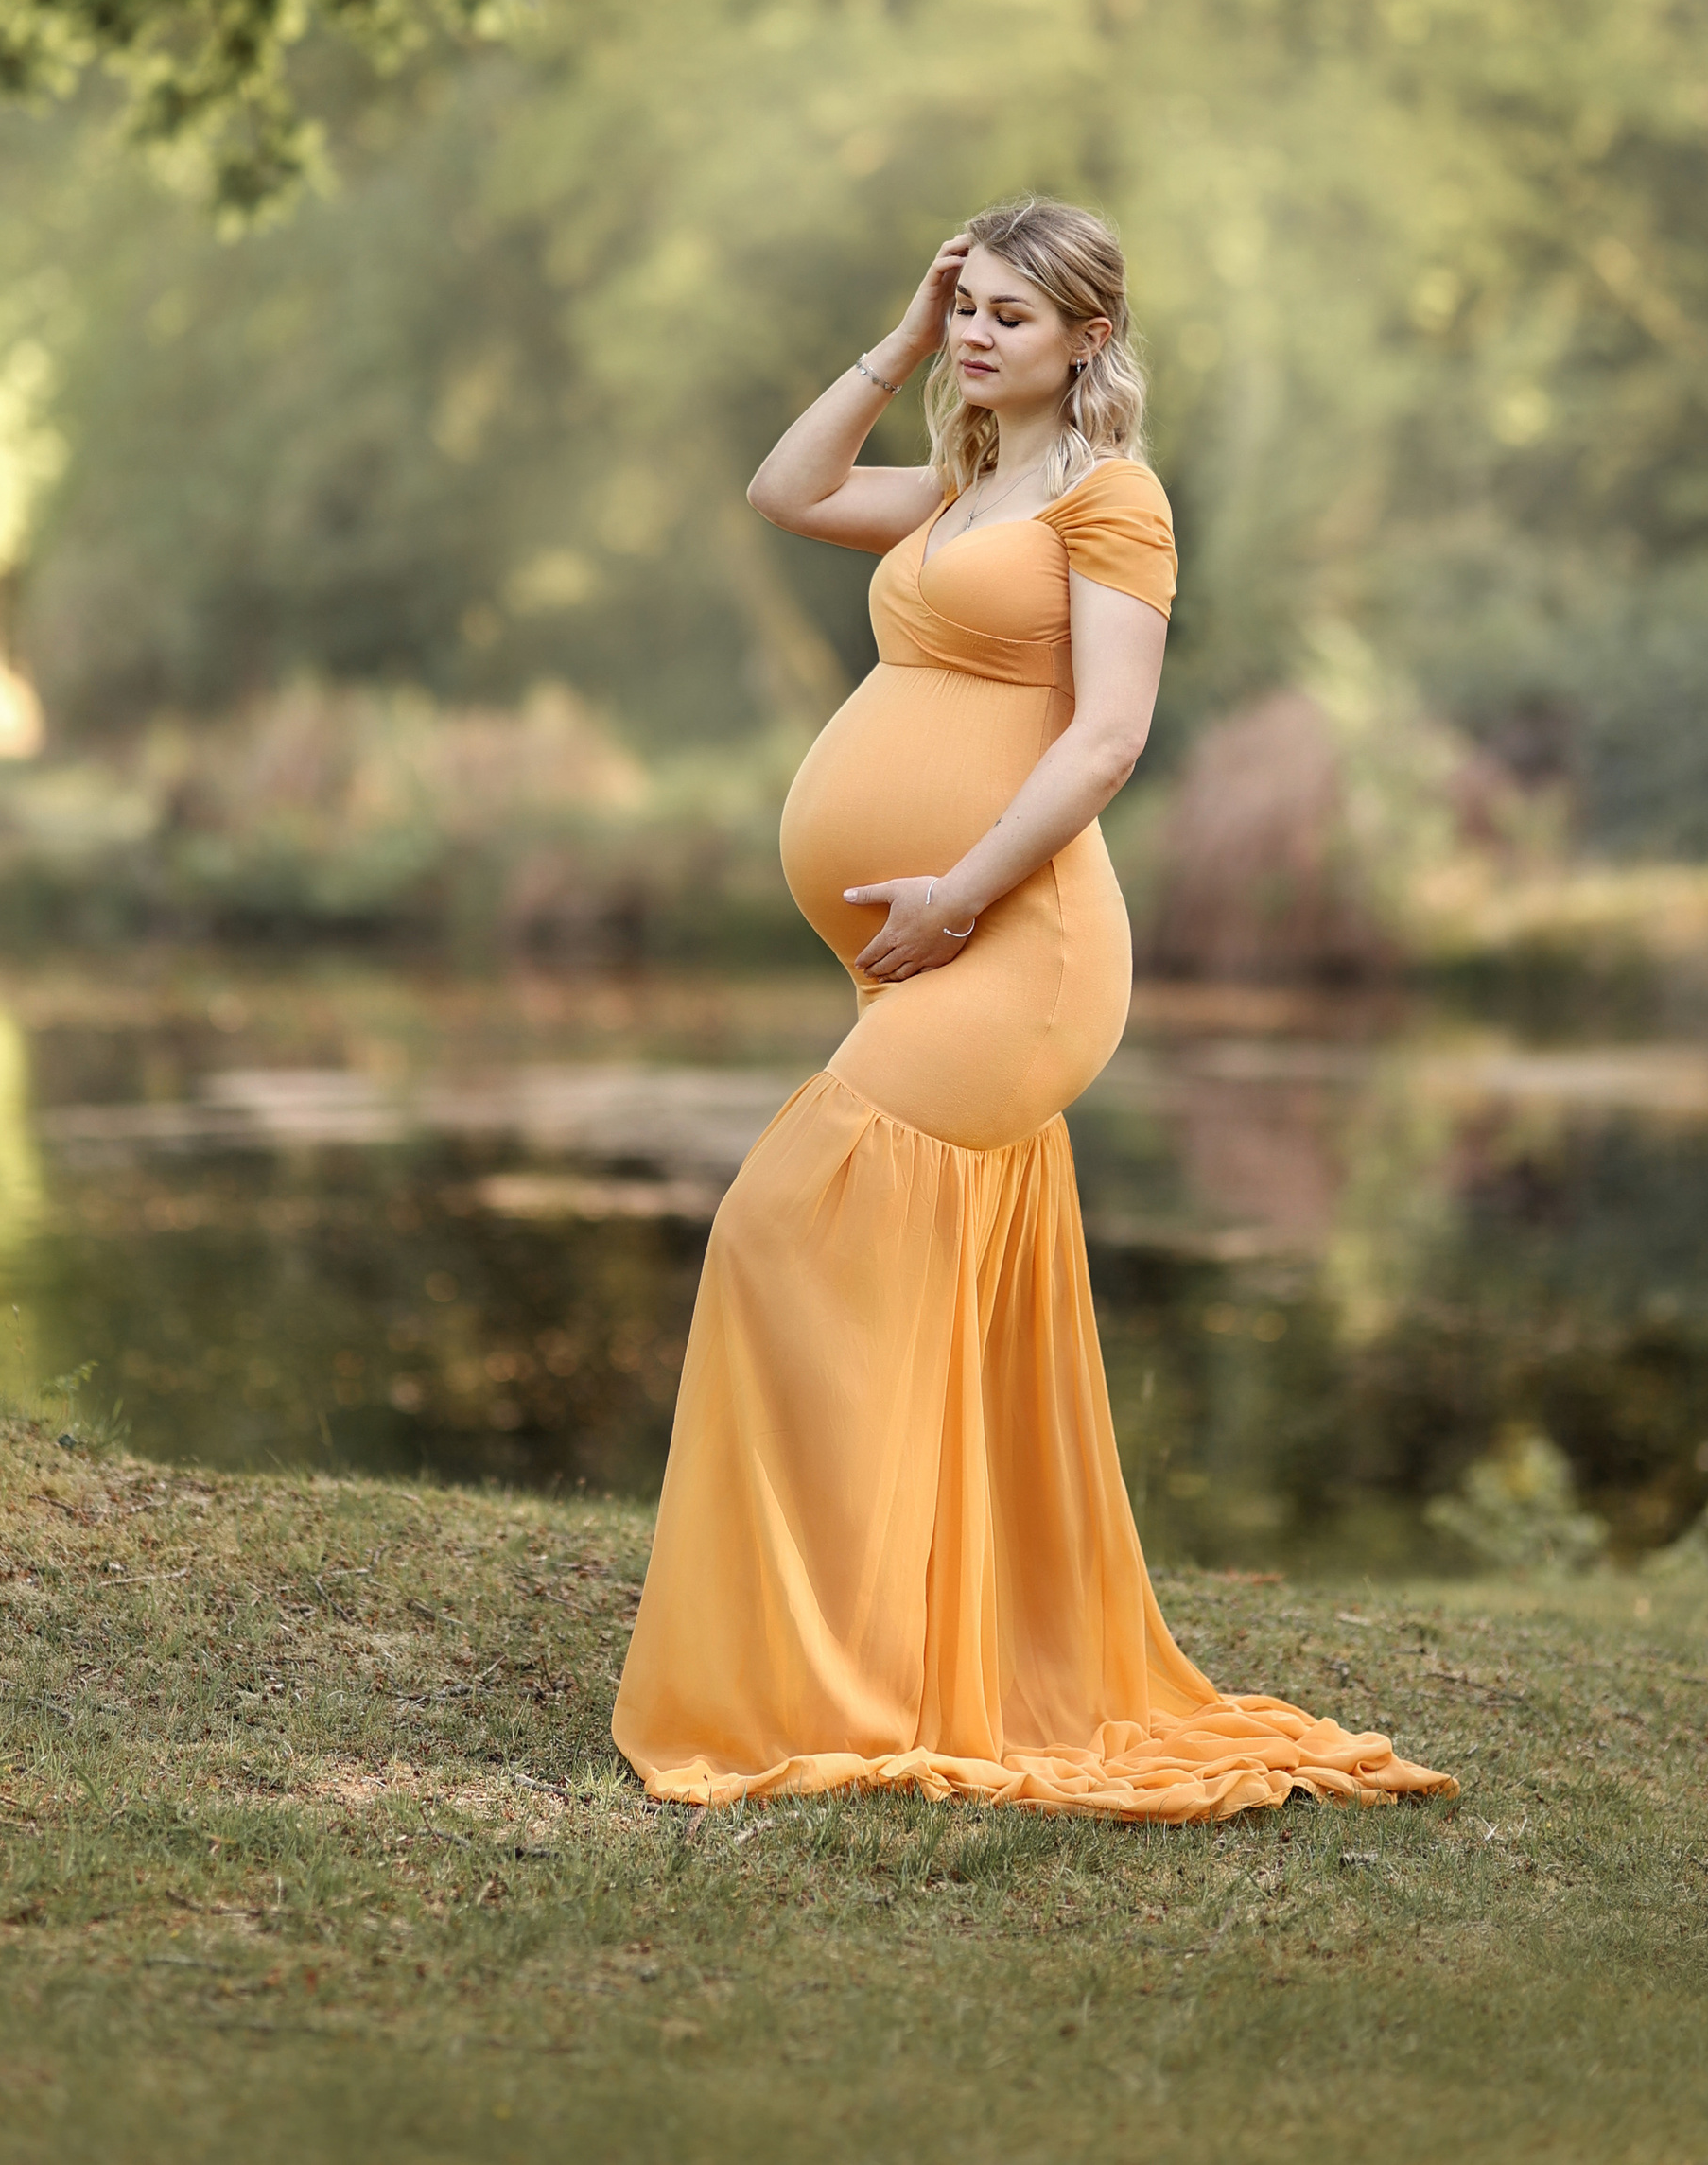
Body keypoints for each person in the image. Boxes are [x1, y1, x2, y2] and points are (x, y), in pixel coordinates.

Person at [612, 198, 1455, 1821]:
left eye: (1014, 313)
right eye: (973, 308)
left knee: (779, 1228)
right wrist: (902, 338)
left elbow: (1106, 741)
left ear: (1087, 336)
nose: (986, 333)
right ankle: (874, 1662)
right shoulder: (967, 484)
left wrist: (954, 894)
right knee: (864, 1276)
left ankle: (845, 1675)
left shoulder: (1110, 498)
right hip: (929, 939)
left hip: (1023, 945)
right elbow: (782, 490)